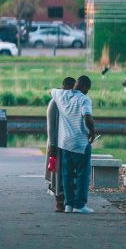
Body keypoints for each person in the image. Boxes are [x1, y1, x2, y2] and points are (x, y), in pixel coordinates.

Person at [50, 75, 96, 214]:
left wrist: (63, 91)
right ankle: (80, 205)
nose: (87, 92)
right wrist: (92, 132)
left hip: (64, 142)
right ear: (84, 87)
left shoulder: (60, 95)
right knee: (83, 174)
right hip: (80, 143)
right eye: (87, 89)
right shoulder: (84, 99)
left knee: (67, 174)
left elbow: (50, 91)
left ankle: (68, 204)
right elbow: (87, 117)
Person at [45, 76, 76, 212]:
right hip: (56, 144)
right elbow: (51, 125)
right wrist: (52, 145)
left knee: (67, 172)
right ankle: (59, 200)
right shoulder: (55, 103)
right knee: (57, 173)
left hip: (67, 143)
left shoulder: (70, 102)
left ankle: (68, 199)